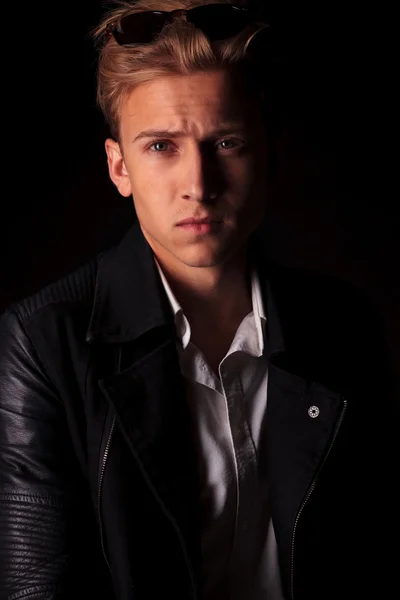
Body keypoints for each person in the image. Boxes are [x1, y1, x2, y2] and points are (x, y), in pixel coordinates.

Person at [0, 1, 395, 599]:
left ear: (267, 154)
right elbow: (38, 587)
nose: (199, 185)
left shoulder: (342, 327)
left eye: (227, 142)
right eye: (161, 146)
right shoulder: (42, 340)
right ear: (119, 167)